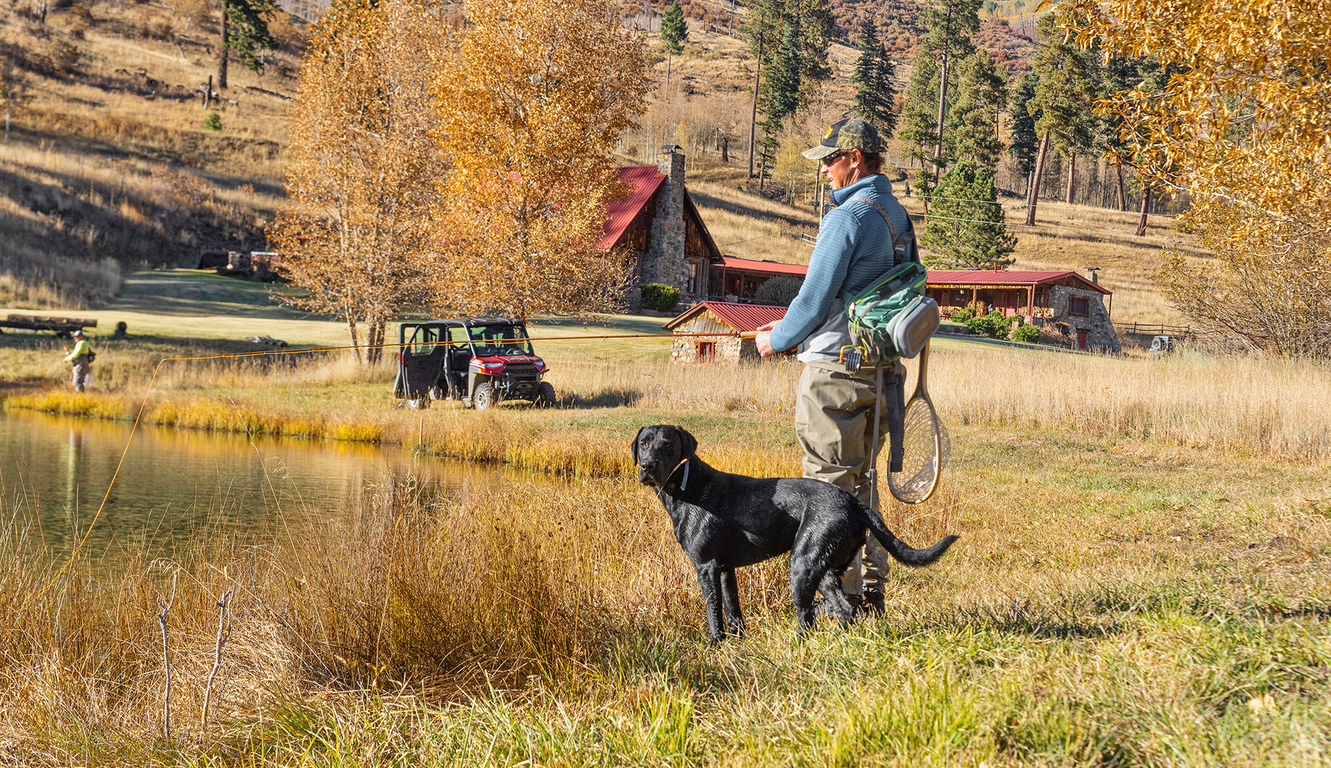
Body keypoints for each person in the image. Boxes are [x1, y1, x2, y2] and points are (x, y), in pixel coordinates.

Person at [755, 117, 915, 613]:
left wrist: (774, 340)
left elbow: (812, 300)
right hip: (885, 372)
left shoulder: (845, 218)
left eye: (830, 158)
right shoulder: (897, 214)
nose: (824, 169)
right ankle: (870, 593)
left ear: (856, 160)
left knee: (828, 487)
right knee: (863, 484)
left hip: (835, 374)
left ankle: (835, 601)